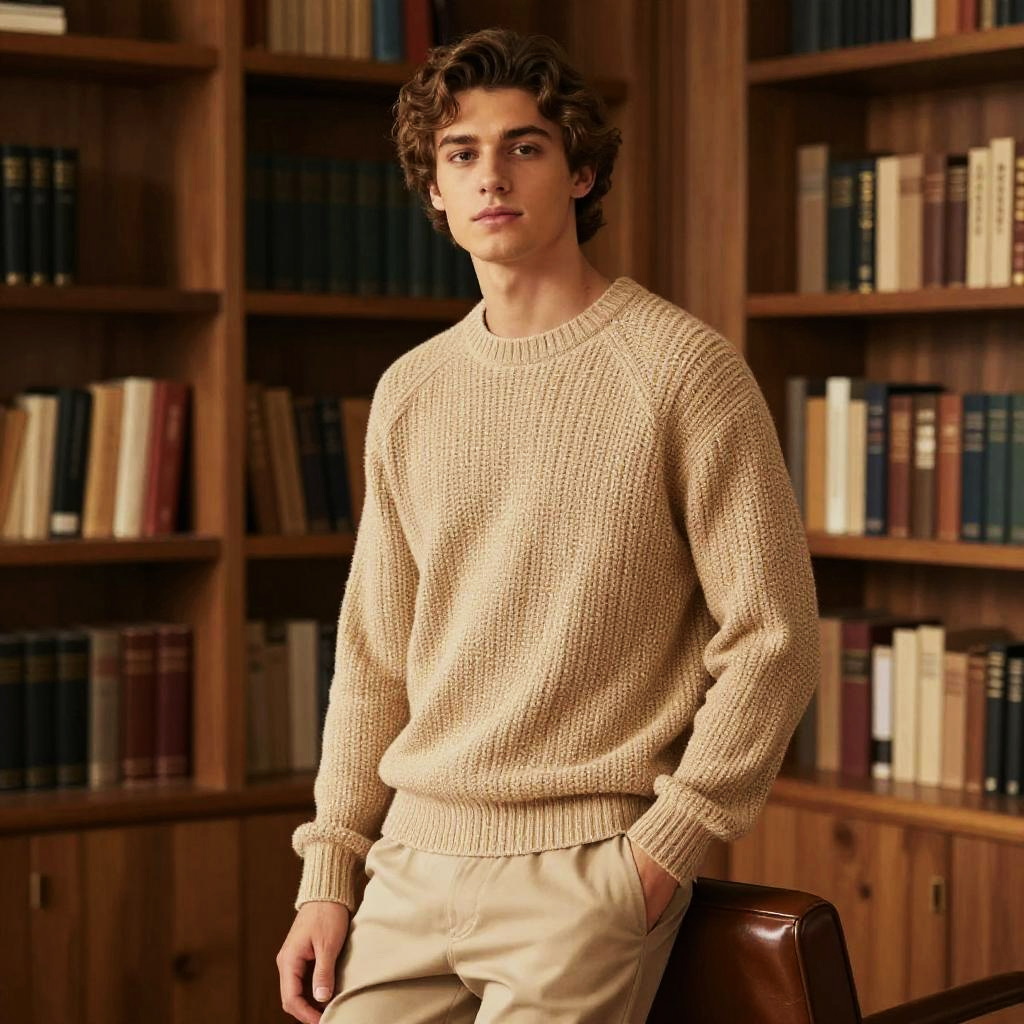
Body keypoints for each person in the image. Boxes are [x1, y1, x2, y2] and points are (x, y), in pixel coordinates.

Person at [277, 25, 820, 1024]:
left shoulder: (683, 371)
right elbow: (373, 654)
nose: (493, 175)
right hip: (405, 869)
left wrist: (664, 850)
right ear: (434, 190)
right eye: (461, 153)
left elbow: (773, 637)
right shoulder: (410, 392)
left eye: (525, 145)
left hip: (584, 875)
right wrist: (330, 870)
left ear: (578, 172)